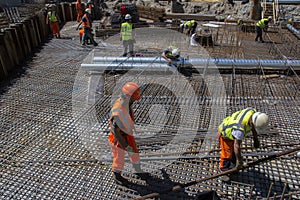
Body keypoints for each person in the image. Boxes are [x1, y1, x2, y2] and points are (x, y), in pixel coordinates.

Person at [108, 82, 149, 185]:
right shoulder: (117, 112)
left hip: (127, 134)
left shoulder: (126, 103)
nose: (135, 100)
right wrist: (125, 145)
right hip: (119, 138)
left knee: (134, 153)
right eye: (134, 98)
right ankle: (117, 176)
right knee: (119, 158)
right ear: (128, 97)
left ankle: (138, 170)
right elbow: (116, 131)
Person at [218, 108, 269, 181]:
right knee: (227, 154)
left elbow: (253, 127)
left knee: (233, 154)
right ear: (252, 122)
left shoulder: (252, 112)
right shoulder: (240, 129)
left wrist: (256, 139)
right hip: (225, 133)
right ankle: (223, 171)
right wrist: (240, 161)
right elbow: (237, 146)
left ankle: (232, 168)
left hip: (232, 129)